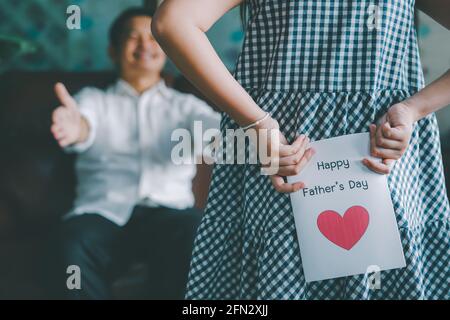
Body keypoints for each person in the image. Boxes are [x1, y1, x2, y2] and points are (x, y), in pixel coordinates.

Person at [151, 0, 450, 299]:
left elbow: (173, 22)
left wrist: (415, 108)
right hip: (280, 152)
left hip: (376, 149)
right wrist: (258, 125)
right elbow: (173, 23)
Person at [47, 7, 221, 299]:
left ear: (166, 50)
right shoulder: (93, 100)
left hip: (170, 215)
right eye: (133, 38)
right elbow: (83, 125)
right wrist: (75, 128)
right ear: (113, 51)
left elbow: (217, 134)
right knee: (72, 242)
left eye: (153, 38)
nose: (144, 46)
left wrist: (234, 134)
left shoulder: (186, 107)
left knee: (195, 232)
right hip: (102, 214)